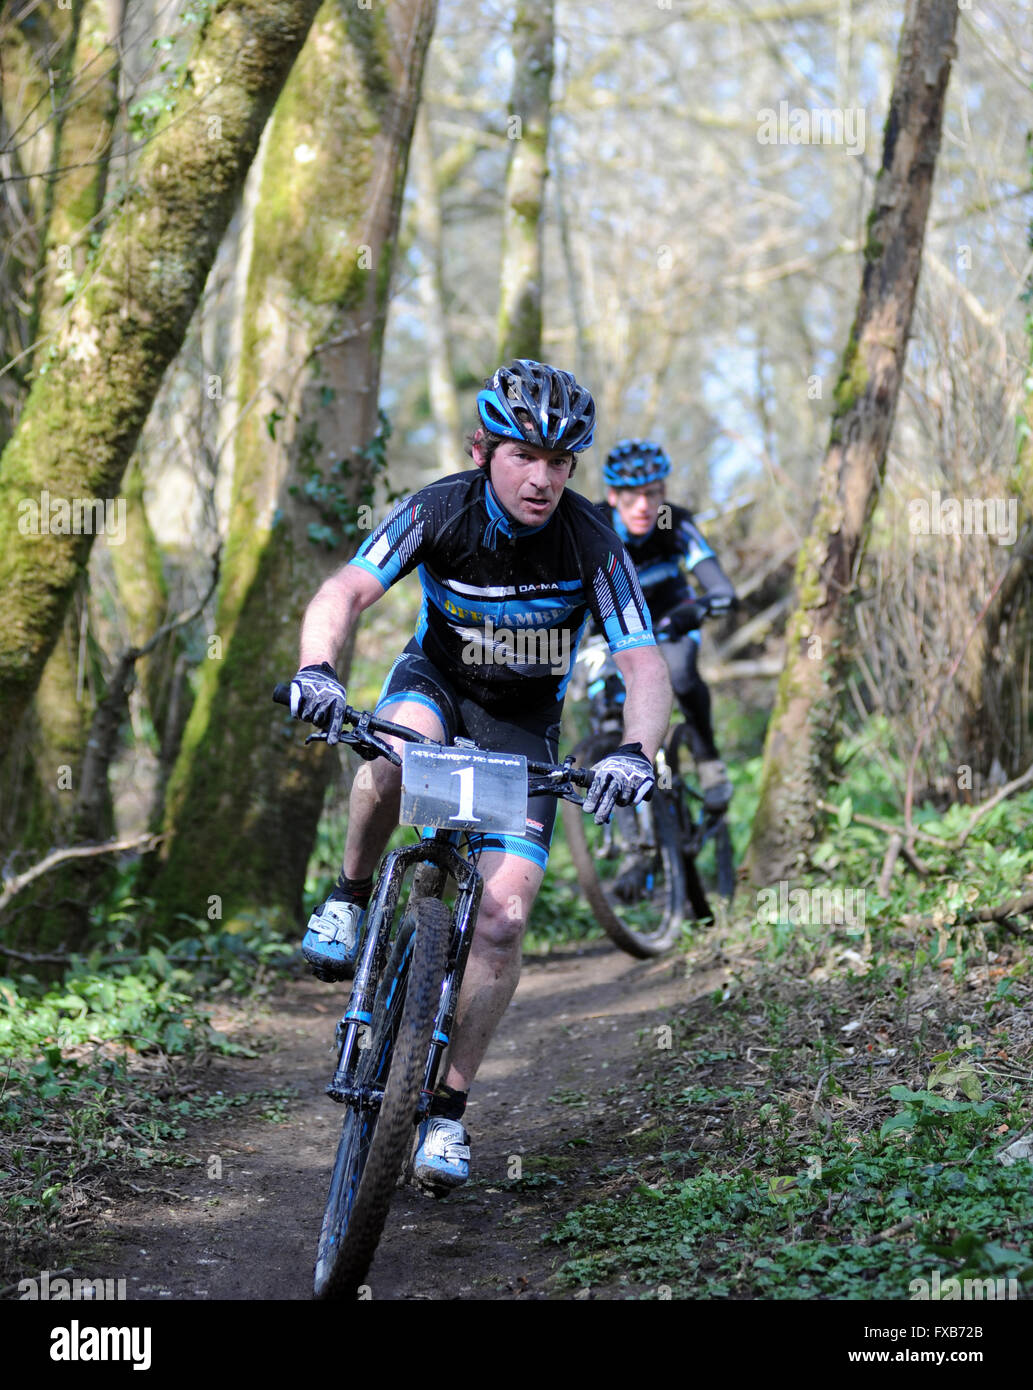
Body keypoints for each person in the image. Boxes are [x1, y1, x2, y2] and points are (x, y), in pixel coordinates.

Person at [288, 360, 672, 1191]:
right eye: (523, 455)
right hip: (436, 685)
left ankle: (446, 1116)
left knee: (502, 919)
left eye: (560, 462)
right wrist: (318, 668)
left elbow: (644, 666)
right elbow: (347, 589)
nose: (541, 478)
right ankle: (349, 898)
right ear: (483, 450)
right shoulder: (439, 507)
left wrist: (634, 754)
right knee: (391, 752)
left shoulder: (592, 542)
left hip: (522, 725)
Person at [597, 439, 736, 812]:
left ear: (664, 492)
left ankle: (709, 762)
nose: (643, 506)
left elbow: (721, 588)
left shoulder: (674, 523)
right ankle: (632, 838)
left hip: (670, 623)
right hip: (612, 634)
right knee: (606, 708)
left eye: (652, 493)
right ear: (612, 496)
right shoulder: (593, 527)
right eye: (630, 496)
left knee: (682, 674)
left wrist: (699, 608)